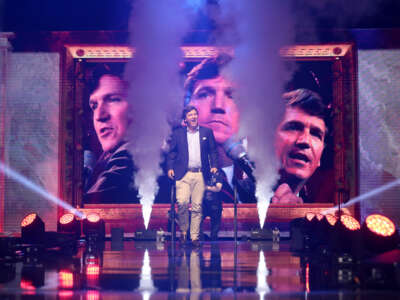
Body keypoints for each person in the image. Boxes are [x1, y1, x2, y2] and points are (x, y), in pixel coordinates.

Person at [184, 53, 256, 204]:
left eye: (232, 97)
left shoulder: (255, 194)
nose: (218, 106)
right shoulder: (156, 182)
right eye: (204, 95)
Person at [83, 64, 139, 204]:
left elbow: (89, 204)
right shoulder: (109, 155)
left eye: (113, 99)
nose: (99, 116)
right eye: (94, 106)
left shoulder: (130, 154)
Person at [167, 105, 218, 247]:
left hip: (200, 174)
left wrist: (214, 165)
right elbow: (172, 153)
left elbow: (213, 151)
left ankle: (194, 237)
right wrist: (170, 168)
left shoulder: (207, 132)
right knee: (182, 203)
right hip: (182, 175)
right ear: (185, 119)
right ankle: (183, 232)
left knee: (197, 206)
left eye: (195, 114)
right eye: (190, 115)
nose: (194, 117)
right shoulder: (178, 134)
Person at [272, 88, 330, 204]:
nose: (305, 141)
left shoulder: (320, 215)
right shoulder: (233, 197)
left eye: (315, 134)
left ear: (320, 158)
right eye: (293, 127)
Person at [202, 170, 224, 241]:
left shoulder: (219, 173)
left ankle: (214, 243)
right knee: (197, 224)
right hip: (203, 204)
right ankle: (201, 239)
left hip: (215, 204)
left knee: (214, 231)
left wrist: (206, 188)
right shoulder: (201, 172)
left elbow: (218, 188)